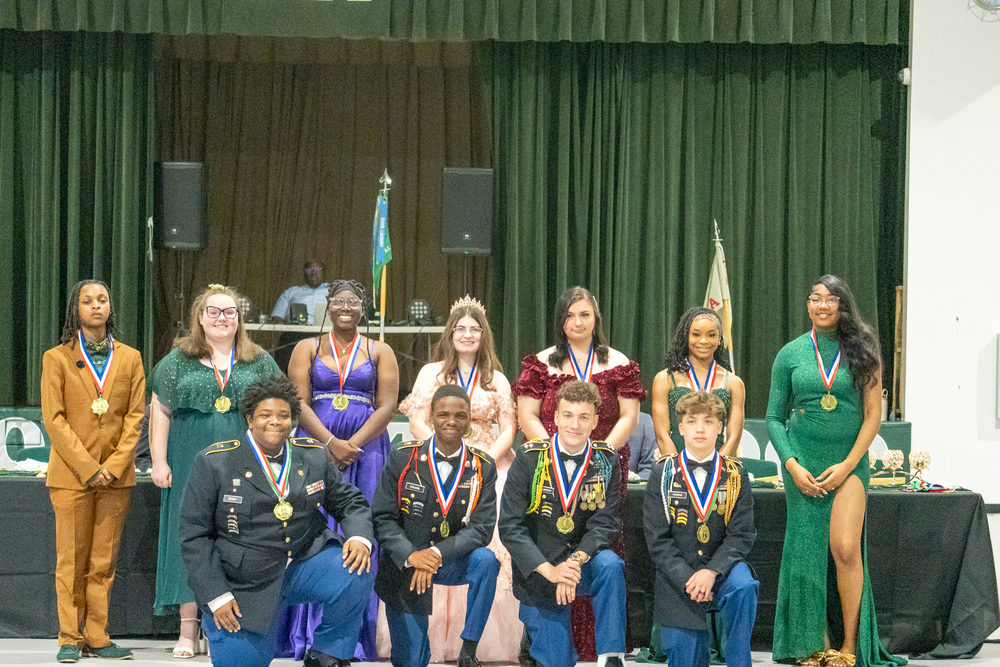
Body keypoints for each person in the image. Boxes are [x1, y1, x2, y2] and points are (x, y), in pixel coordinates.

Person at [179, 376, 375, 667]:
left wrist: (359, 538)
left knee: (356, 568)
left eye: (284, 415)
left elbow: (350, 502)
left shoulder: (314, 456)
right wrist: (216, 596)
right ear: (249, 419)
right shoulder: (214, 462)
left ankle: (327, 653)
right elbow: (194, 536)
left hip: (302, 565)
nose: (275, 422)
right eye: (266, 415)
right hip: (243, 582)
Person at [766, 276, 906, 667]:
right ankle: (816, 646)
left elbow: (873, 415)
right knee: (807, 553)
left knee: (845, 548)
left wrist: (848, 466)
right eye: (815, 298)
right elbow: (774, 417)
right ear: (807, 305)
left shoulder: (865, 350)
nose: (822, 305)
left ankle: (849, 645)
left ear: (844, 306)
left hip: (849, 463)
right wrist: (791, 464)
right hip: (802, 466)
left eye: (831, 299)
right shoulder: (790, 353)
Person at [149, 284, 282, 659]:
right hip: (190, 457)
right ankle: (188, 630)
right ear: (200, 317)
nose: (222, 318)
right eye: (214, 311)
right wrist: (159, 461)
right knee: (191, 539)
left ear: (240, 319)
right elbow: (160, 410)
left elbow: (278, 409)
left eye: (230, 312)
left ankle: (228, 626)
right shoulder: (178, 360)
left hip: (244, 463)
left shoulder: (259, 361)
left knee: (238, 538)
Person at [513, 286, 645, 659]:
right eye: (569, 315)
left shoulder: (618, 361)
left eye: (584, 314)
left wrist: (600, 452)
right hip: (549, 468)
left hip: (604, 464)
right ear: (561, 320)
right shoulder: (541, 362)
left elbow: (629, 416)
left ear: (595, 318)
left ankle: (606, 648)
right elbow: (527, 415)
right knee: (550, 538)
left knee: (602, 550)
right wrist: (552, 455)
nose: (577, 322)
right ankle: (547, 634)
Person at [396, 295, 519, 662]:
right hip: (437, 465)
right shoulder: (429, 373)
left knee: (486, 555)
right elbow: (417, 420)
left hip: (488, 468)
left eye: (474, 329)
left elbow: (509, 428)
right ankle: (428, 642)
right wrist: (441, 453)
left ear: (484, 336)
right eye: (460, 329)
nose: (467, 335)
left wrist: (482, 463)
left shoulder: (495, 377)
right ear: (450, 334)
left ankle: (476, 644)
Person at [285, 279, 399, 660]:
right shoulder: (307, 347)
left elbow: (387, 406)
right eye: (339, 301)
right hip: (315, 443)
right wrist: (330, 444)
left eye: (353, 301)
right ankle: (308, 632)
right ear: (328, 307)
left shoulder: (380, 349)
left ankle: (354, 635)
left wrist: (354, 444)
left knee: (362, 526)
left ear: (363, 308)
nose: (345, 306)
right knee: (313, 526)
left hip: (367, 450)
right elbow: (297, 402)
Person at [41, 280, 145, 663]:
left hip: (116, 478)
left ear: (110, 308)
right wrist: (88, 468)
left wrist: (113, 466)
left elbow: (135, 418)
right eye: (87, 301)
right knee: (71, 559)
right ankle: (70, 637)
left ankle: (98, 636)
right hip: (71, 476)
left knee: (103, 562)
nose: (95, 306)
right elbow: (54, 420)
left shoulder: (131, 358)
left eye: (102, 300)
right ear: (76, 309)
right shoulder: (57, 358)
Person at [500, 380, 625, 667]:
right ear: (555, 417)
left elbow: (605, 523)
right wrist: (550, 570)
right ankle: (533, 639)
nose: (574, 425)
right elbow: (510, 527)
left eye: (583, 417)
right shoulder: (529, 458)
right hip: (541, 568)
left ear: (595, 421)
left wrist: (575, 562)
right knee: (557, 662)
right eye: (567, 415)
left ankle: (612, 656)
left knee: (610, 564)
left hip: (582, 566)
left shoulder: (606, 460)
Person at [373, 385, 500, 667]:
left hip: (452, 560)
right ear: (431, 417)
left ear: (469, 419)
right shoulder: (403, 458)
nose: (451, 421)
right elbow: (383, 518)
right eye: (443, 414)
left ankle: (469, 648)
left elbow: (481, 529)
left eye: (460, 415)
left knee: (487, 560)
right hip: (406, 564)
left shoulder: (483, 467)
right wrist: (411, 555)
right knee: (412, 662)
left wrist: (435, 555)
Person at [643, 391, 757, 667]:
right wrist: (688, 577)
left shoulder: (735, 474)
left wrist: (711, 571)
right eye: (692, 421)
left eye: (708, 421)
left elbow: (741, 535)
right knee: (686, 661)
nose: (700, 428)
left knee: (744, 586)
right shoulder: (663, 474)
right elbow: (657, 541)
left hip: (722, 572)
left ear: (720, 428)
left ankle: (739, 661)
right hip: (678, 577)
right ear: (680, 429)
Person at [651, 307, 746, 458]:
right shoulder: (665, 379)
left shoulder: (734, 383)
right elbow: (661, 434)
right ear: (686, 336)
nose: (703, 341)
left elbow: (734, 437)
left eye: (711, 335)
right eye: (696, 334)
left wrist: (717, 468)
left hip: (718, 468)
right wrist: (677, 469)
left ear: (720, 338)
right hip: (675, 466)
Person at [270, 259, 330, 373]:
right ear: (304, 274)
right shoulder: (292, 292)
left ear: (324, 272)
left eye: (318, 268)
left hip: (325, 334)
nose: (314, 272)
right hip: (295, 334)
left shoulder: (334, 291)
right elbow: (277, 317)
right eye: (309, 269)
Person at [626, 412, 658, 481]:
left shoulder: (643, 421)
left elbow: (650, 469)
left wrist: (634, 479)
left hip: (630, 490)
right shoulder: (597, 419)